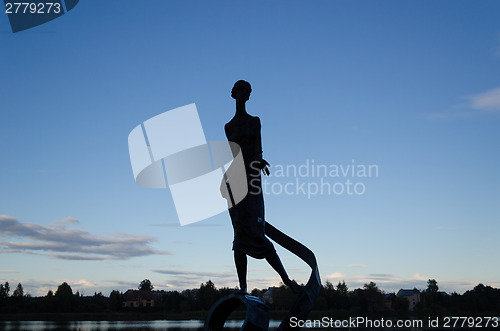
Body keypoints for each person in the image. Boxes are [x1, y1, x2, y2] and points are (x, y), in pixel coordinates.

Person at [223, 80, 301, 294]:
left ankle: (287, 279)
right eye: (241, 90)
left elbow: (258, 149)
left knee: (257, 231)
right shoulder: (228, 127)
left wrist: (259, 160)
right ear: (234, 94)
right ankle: (243, 287)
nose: (244, 94)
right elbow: (232, 155)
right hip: (236, 179)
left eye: (247, 92)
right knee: (239, 235)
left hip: (253, 177)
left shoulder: (255, 121)